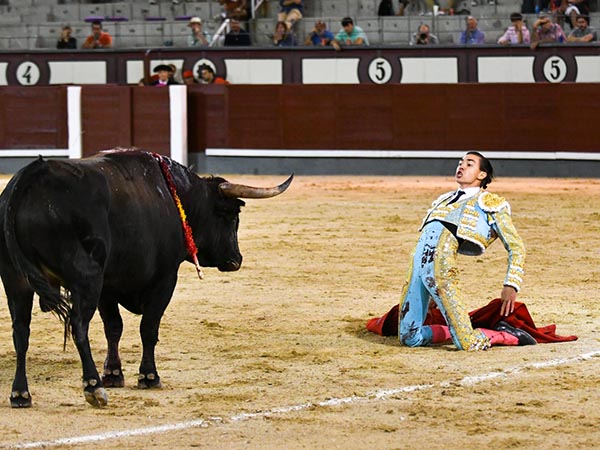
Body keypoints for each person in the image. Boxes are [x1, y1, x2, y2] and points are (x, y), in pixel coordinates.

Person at [398, 152, 530, 351]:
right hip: (417, 265)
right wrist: (429, 289)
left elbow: (516, 246)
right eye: (460, 163)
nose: (461, 166)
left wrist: (511, 283)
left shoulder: (490, 202)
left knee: (467, 342)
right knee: (409, 337)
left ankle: (505, 334)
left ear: (482, 174)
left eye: (469, 164)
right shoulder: (443, 199)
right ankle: (452, 330)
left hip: (442, 267)